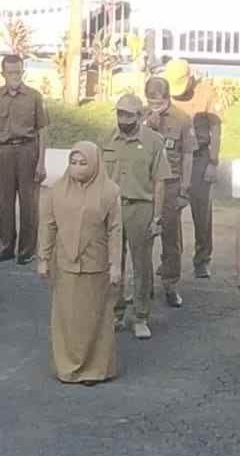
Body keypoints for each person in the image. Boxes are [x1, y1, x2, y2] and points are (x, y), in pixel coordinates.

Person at [38, 142, 122, 385]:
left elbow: (115, 230)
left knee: (94, 318)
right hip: (65, 264)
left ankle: (95, 369)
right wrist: (43, 258)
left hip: (96, 264)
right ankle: (68, 366)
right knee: (67, 317)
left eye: (83, 163)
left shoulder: (109, 192)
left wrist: (115, 265)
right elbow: (48, 225)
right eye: (73, 162)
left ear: (94, 164)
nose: (77, 167)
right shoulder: (57, 190)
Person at [103, 94, 171, 340]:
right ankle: (116, 312)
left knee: (141, 264)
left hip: (140, 208)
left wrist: (157, 217)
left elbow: (160, 181)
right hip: (112, 208)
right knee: (113, 262)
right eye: (120, 113)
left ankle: (141, 316)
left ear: (140, 116)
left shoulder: (154, 142)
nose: (123, 119)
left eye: (129, 114)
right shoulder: (107, 138)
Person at [0, 53, 49, 266]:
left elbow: (42, 130)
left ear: (23, 72)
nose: (14, 76)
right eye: (10, 72)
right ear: (3, 73)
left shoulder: (34, 96)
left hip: (27, 151)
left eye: (18, 72)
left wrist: (41, 162)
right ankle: (5, 247)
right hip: (3, 152)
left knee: (29, 204)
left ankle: (27, 250)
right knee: (5, 203)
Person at [163, 57, 225, 279]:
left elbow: (216, 128)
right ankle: (171, 258)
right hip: (175, 157)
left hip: (199, 157)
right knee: (170, 210)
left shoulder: (206, 92)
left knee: (201, 211)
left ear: (190, 78)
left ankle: (202, 259)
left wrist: (213, 162)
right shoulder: (165, 91)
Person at [143, 75, 196, 308]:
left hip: (171, 186)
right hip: (145, 186)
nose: (155, 106)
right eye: (151, 101)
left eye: (159, 102)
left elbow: (188, 156)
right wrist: (148, 126)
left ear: (167, 98)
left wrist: (185, 190)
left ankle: (170, 284)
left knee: (171, 238)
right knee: (142, 237)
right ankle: (143, 285)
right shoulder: (140, 116)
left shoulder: (182, 119)